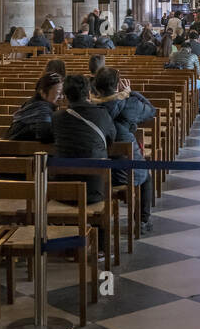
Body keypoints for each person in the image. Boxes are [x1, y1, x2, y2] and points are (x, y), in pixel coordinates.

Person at [52, 74, 153, 234]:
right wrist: (129, 93)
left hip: (62, 188)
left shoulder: (56, 117)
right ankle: (142, 221)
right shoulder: (102, 114)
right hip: (97, 185)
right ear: (88, 93)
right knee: (145, 174)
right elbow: (111, 138)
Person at [91, 67, 157, 162]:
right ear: (118, 85)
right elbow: (151, 110)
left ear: (97, 88)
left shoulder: (89, 108)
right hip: (129, 165)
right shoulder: (129, 103)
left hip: (99, 167)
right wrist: (130, 93)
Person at [7, 73, 63, 142]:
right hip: (15, 150)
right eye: (58, 93)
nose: (61, 97)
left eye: (61, 93)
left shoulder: (32, 103)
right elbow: (45, 134)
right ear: (43, 93)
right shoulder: (42, 109)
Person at [166, 38, 200, 111]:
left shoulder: (173, 55)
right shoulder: (193, 56)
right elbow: (198, 71)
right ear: (189, 49)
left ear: (181, 48)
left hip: (174, 83)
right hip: (188, 84)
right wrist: (198, 76)